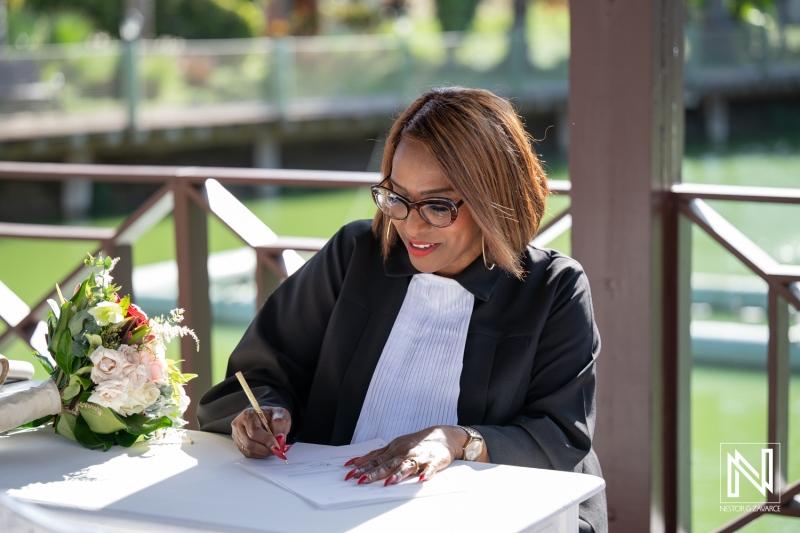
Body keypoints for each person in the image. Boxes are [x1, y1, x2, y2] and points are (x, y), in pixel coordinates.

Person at [197, 86, 607, 532]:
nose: (411, 224)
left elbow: (560, 437)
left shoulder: (552, 289)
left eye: (437, 205)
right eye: (396, 195)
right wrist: (265, 414)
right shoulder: (355, 255)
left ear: (494, 199)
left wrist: (456, 441)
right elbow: (258, 376)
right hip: (332, 510)